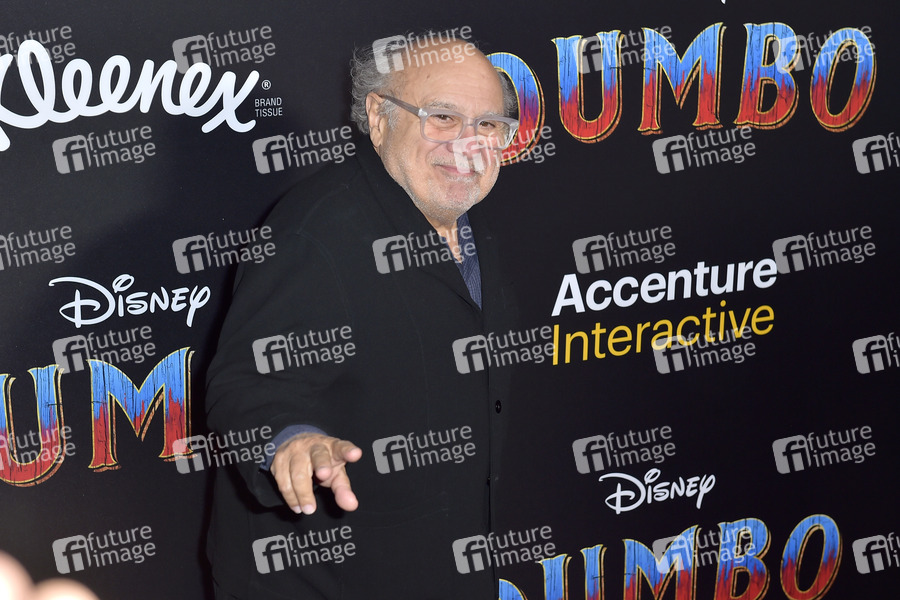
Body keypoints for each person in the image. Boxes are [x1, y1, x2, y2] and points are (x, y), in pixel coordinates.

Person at [205, 33, 519, 599]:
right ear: (378, 116)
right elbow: (248, 384)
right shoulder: (315, 233)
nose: (470, 144)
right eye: (443, 117)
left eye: (489, 124)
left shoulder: (472, 222)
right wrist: (292, 442)